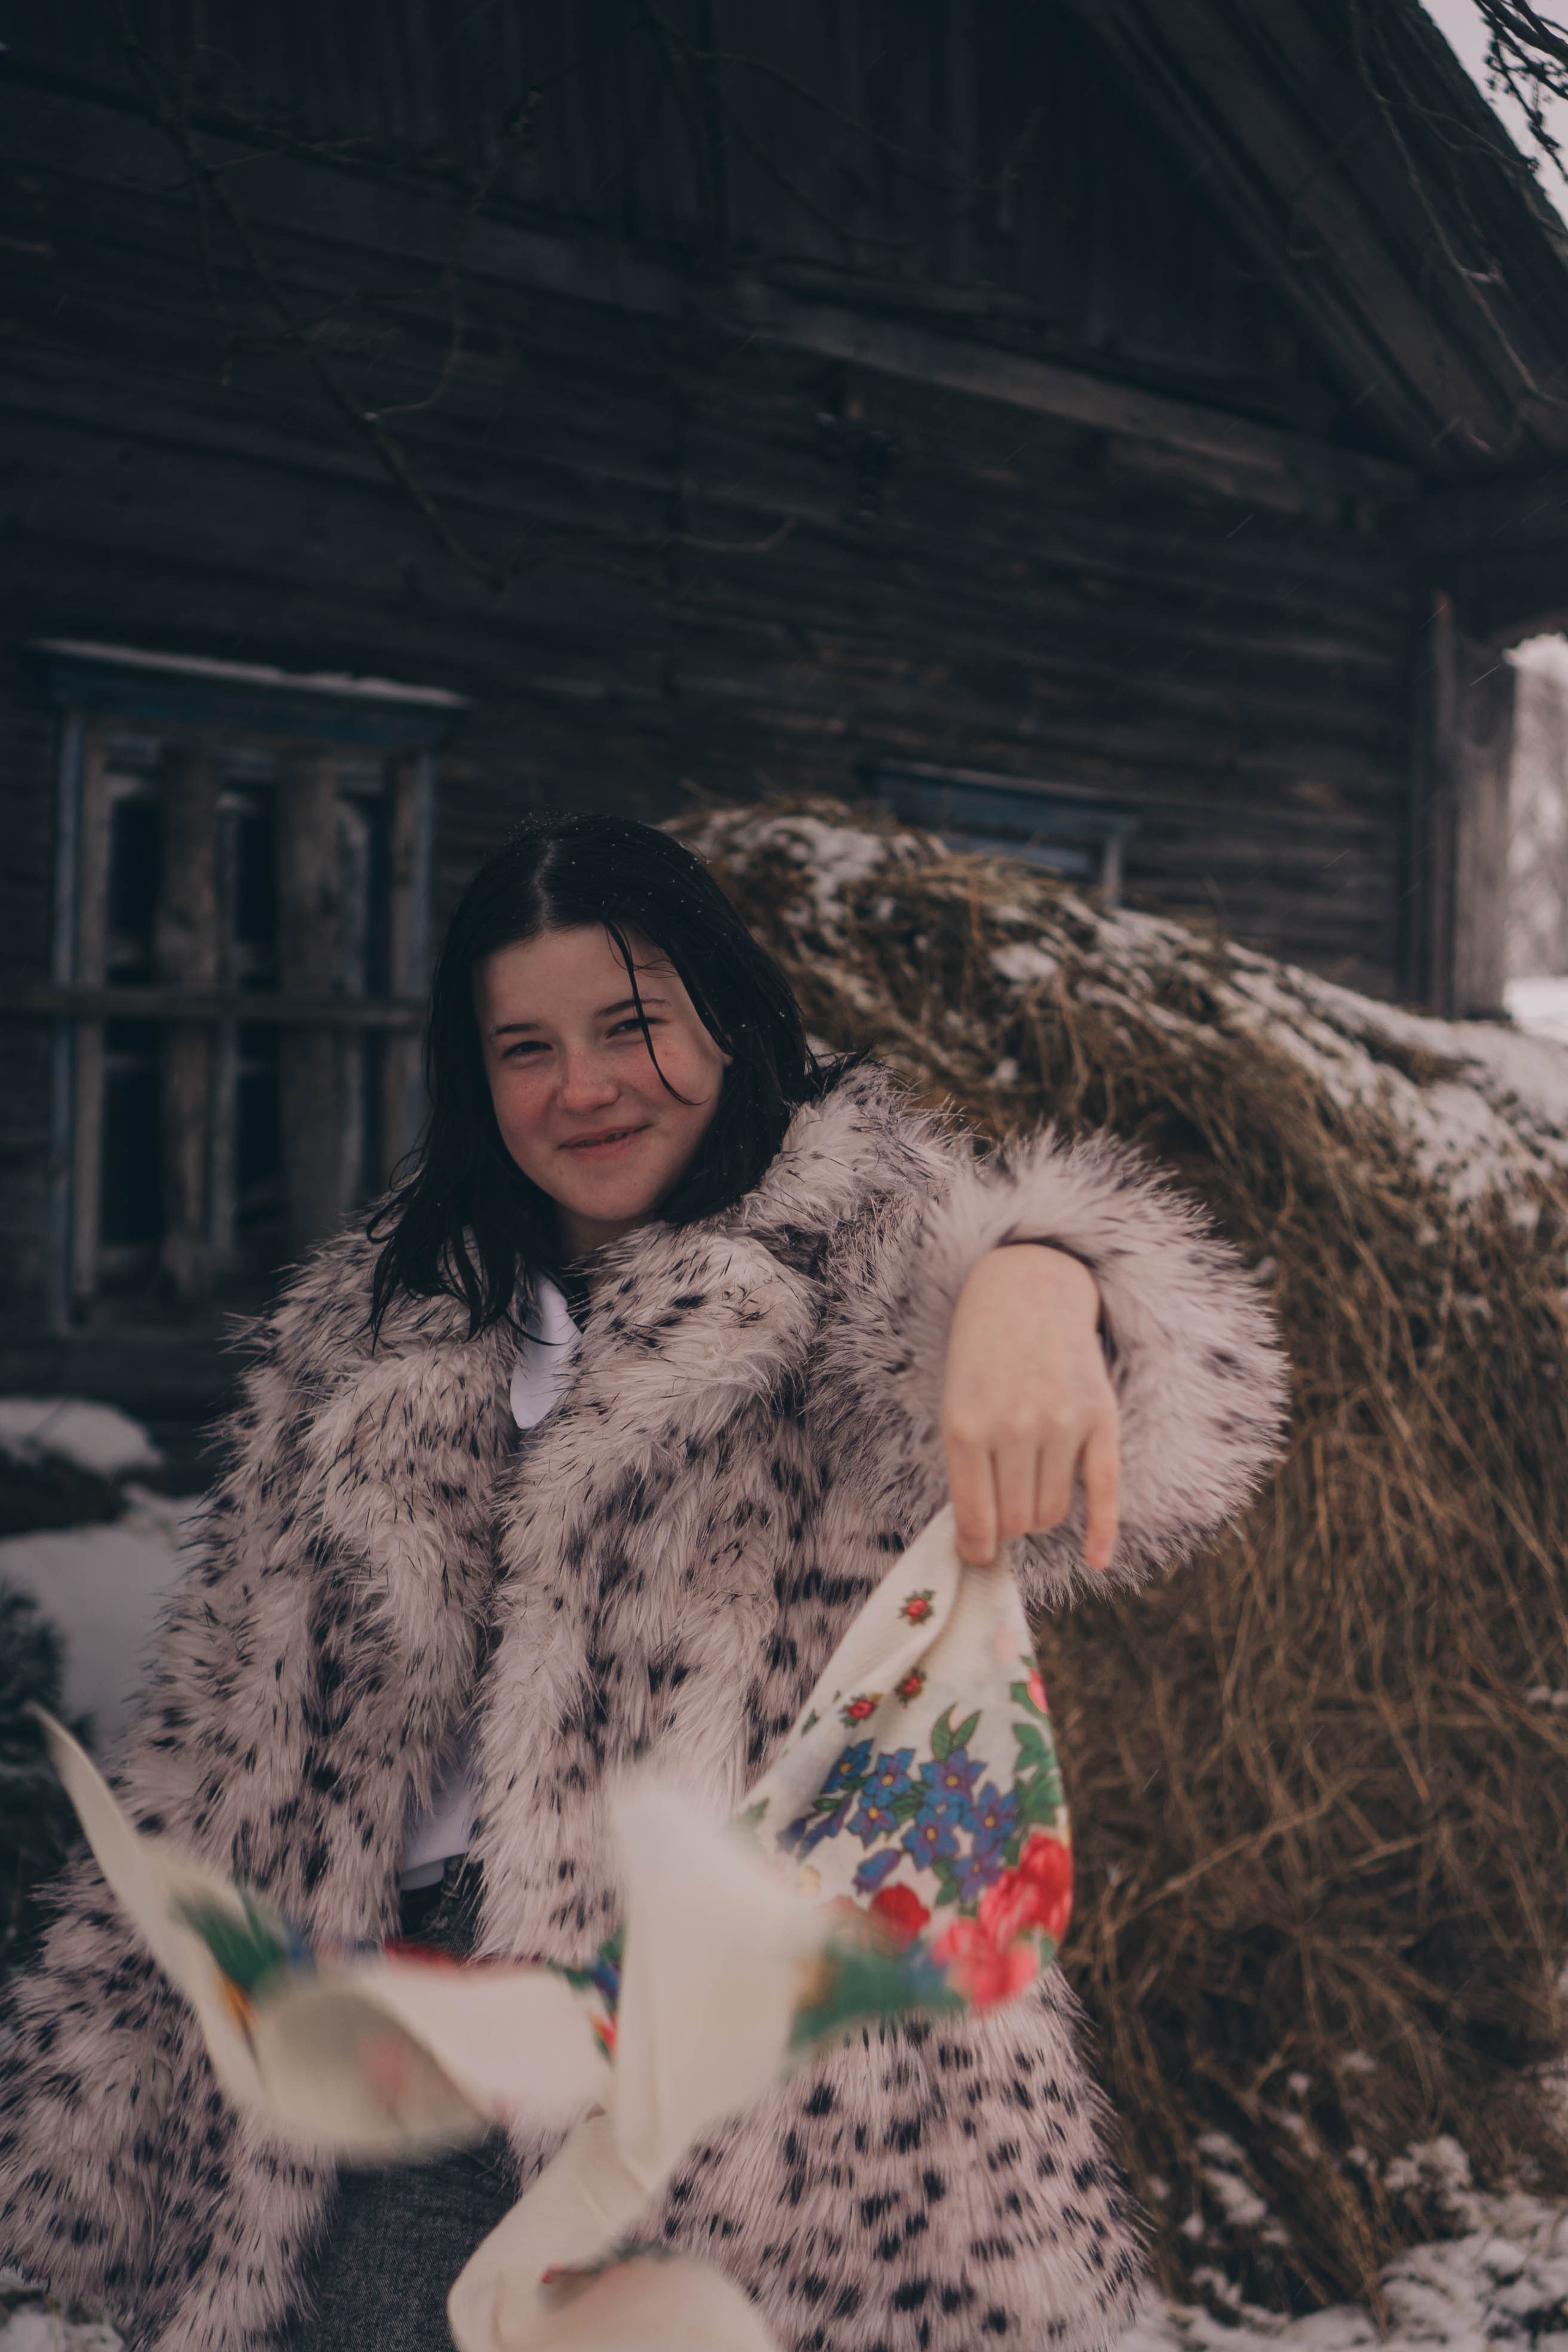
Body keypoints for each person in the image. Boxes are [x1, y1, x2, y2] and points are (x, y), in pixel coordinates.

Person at [0, 815, 1285, 2352]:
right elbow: (216, 1740)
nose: (584, 1086)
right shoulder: (371, 1328)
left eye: (630, 1025)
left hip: (759, 2101)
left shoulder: (860, 1272)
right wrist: (96, 2101)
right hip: (390, 2047)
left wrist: (1046, 1278)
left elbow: (1162, 1443)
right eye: (525, 1049)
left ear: (727, 1024)